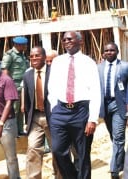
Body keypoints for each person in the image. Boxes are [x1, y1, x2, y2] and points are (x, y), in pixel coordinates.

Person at [48, 31, 101, 179]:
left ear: (80, 41)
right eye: (64, 39)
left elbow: (95, 91)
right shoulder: (58, 61)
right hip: (61, 111)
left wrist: (92, 119)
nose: (66, 42)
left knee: (83, 154)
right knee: (58, 151)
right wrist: (54, 108)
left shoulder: (88, 62)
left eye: (70, 39)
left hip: (81, 111)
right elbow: (51, 87)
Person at [22, 46, 60, 179]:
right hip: (35, 118)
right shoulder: (27, 74)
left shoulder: (54, 72)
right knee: (32, 149)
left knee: (57, 150)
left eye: (37, 56)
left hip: (53, 117)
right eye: (31, 56)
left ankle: (59, 176)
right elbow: (27, 100)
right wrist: (27, 121)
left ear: (44, 57)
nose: (34, 58)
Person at [98, 42, 128, 179]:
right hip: (105, 105)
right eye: (106, 50)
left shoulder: (124, 66)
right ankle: (121, 161)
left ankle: (114, 169)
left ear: (117, 52)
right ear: (103, 53)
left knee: (119, 137)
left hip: (119, 104)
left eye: (112, 50)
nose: (109, 52)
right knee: (113, 136)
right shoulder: (99, 68)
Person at [1, 36, 29, 136]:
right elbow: (5, 70)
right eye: (24, 45)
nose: (26, 46)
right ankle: (12, 131)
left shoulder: (22, 55)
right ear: (18, 45)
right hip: (14, 85)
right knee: (14, 110)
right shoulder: (10, 55)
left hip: (23, 85)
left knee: (22, 109)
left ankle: (20, 130)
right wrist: (9, 85)